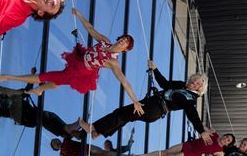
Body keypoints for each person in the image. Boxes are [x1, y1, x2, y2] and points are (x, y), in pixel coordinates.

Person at [0, 8, 144, 115]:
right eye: (123, 39)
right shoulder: (105, 42)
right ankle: (40, 90)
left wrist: (135, 101)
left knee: (47, 77)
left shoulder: (114, 62)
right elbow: (90, 29)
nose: (122, 41)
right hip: (78, 59)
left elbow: (124, 81)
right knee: (57, 80)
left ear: (124, 50)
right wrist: (79, 15)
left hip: (79, 72)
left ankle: (8, 77)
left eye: (125, 43)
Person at [76, 60, 213, 144]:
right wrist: (155, 69)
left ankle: (94, 128)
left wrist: (201, 130)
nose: (194, 83)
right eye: (195, 80)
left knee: (122, 114)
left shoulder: (190, 99)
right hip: (152, 105)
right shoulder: (181, 85)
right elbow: (165, 84)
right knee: (126, 117)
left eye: (198, 84)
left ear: (199, 89)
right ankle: (98, 132)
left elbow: (192, 113)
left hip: (155, 108)